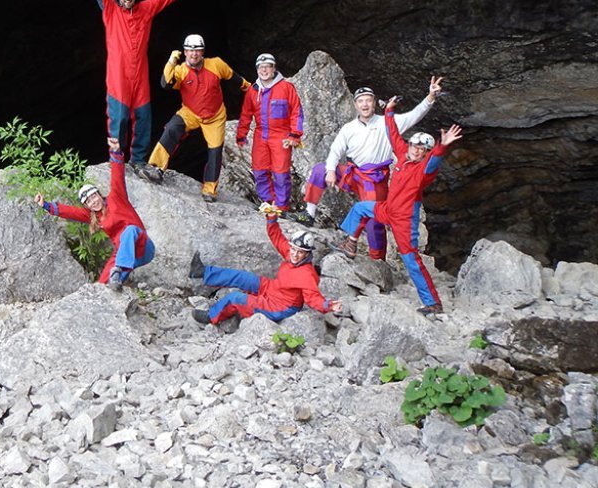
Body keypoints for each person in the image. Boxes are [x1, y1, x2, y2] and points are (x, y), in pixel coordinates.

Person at [292, 76, 443, 263]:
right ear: (355, 105)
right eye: (360, 101)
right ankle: (309, 214)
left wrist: (430, 97)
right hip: (354, 174)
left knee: (374, 220)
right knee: (320, 170)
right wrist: (331, 170)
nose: (365, 105)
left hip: (375, 178)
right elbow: (336, 150)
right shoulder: (349, 128)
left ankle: (377, 259)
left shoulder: (388, 123)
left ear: (374, 103)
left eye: (368, 100)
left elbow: (414, 115)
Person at [336, 100, 462, 315]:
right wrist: (389, 111)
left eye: (421, 149)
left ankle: (432, 302)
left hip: (404, 220)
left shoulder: (424, 170)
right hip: (388, 209)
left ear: (425, 153)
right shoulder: (403, 155)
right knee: (360, 209)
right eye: (414, 145)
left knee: (410, 259)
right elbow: (393, 134)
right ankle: (351, 243)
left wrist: (443, 145)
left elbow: (434, 160)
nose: (416, 150)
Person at [79, 0, 190, 170]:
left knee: (143, 118)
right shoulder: (110, 11)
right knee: (118, 120)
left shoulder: (145, 10)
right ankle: (117, 161)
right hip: (118, 77)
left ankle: (138, 161)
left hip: (139, 76)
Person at [140, 34, 251, 202]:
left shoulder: (216, 64)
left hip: (215, 116)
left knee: (215, 150)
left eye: (197, 51)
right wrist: (171, 62)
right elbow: (166, 83)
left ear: (203, 52)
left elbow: (234, 77)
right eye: (190, 51)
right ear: (185, 52)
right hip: (190, 112)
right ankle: (155, 168)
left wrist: (250, 88)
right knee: (172, 128)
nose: (194, 54)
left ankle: (210, 189)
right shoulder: (181, 70)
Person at [35, 137, 155, 290]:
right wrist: (45, 205)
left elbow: (117, 177)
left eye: (94, 197)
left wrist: (115, 151)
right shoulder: (93, 215)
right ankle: (113, 287)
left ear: (99, 195)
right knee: (102, 285)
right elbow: (70, 212)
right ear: (87, 206)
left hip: (143, 246)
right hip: (125, 254)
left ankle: (118, 272)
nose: (93, 202)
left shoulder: (116, 198)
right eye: (89, 201)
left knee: (129, 231)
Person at [191, 210, 342, 327]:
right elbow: (277, 238)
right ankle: (203, 272)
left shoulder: (306, 275)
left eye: (300, 252)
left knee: (235, 299)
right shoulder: (290, 255)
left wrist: (328, 305)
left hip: (280, 306)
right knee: (242, 277)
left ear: (307, 254)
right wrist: (271, 219)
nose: (295, 254)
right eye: (293, 249)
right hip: (273, 289)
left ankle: (211, 317)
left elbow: (313, 298)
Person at [236, 53, 304, 210]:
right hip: (261, 135)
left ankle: (281, 206)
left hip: (281, 136)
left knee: (280, 173)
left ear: (274, 68)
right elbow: (246, 114)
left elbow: (296, 112)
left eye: (268, 66)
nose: (264, 70)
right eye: (261, 67)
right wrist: (241, 135)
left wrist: (295, 134)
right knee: (259, 171)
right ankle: (268, 201)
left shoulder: (286, 88)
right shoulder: (253, 91)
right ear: (257, 69)